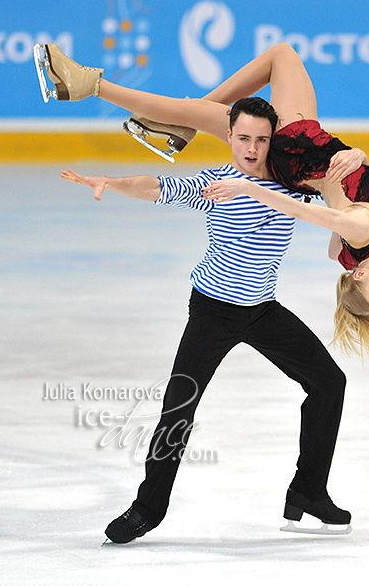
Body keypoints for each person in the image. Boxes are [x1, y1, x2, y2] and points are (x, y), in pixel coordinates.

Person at [61, 96, 352, 543]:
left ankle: (309, 490)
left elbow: (348, 184)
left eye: (261, 139)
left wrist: (355, 158)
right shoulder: (216, 183)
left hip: (262, 311)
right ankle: (148, 508)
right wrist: (112, 182)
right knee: (179, 406)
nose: (252, 147)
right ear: (229, 136)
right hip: (212, 311)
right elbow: (159, 187)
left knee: (329, 383)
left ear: (272, 140)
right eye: (243, 138)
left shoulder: (292, 185)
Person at [35, 42, 369, 355]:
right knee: (247, 78)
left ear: (359, 274)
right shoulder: (353, 252)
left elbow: (304, 212)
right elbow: (343, 205)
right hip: (305, 153)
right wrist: (360, 156)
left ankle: (88, 85)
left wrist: (252, 188)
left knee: (252, 74)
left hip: (293, 151)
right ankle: (182, 127)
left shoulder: (360, 230)